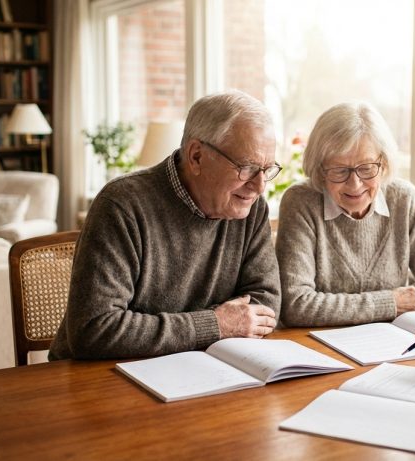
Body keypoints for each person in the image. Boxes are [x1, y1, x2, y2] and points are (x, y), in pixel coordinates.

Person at [49, 90, 282, 360]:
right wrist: (215, 324)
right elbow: (94, 330)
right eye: (247, 167)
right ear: (196, 157)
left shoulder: (251, 207)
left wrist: (211, 326)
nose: (259, 186)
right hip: (98, 376)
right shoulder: (122, 205)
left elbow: (265, 303)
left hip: (199, 367)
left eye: (267, 170)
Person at [276, 102, 415, 327]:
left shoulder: (402, 198)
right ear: (320, 170)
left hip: (387, 344)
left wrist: (408, 301)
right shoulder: (301, 202)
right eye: (339, 170)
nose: (355, 184)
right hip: (320, 347)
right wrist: (389, 303)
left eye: (366, 168)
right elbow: (295, 305)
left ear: (383, 164)